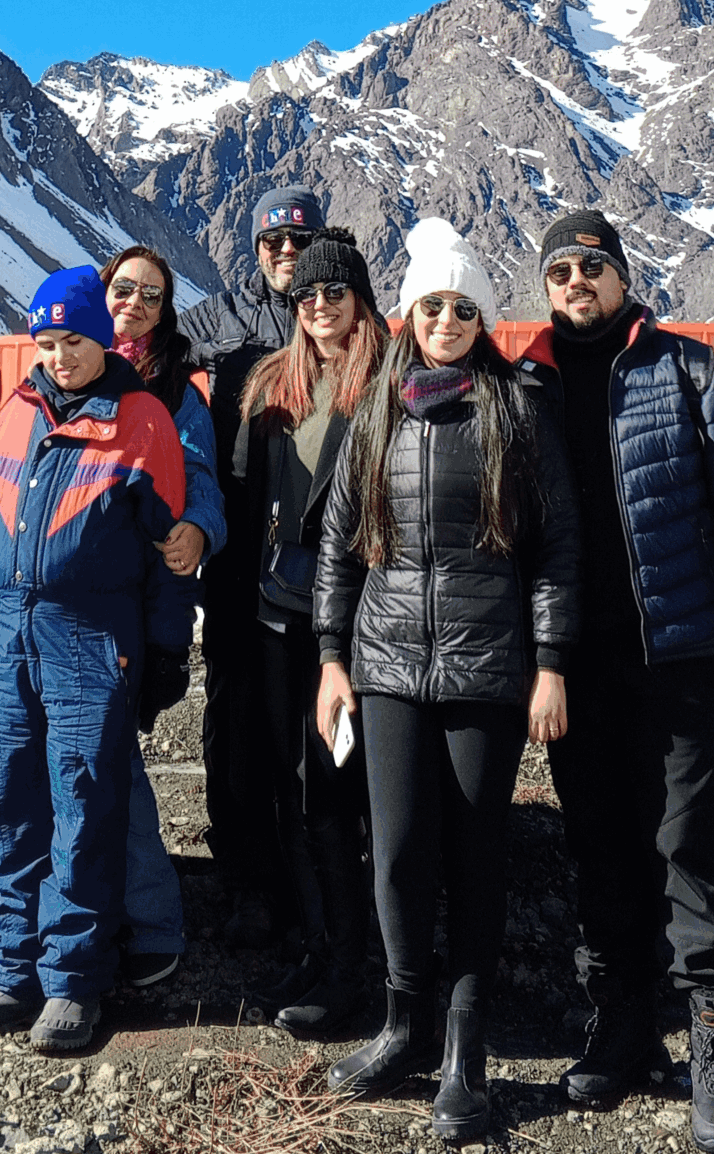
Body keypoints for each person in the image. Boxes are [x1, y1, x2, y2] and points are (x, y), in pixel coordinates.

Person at [525, 211, 714, 1154]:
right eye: (560, 270)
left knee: (689, 841)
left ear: (622, 275)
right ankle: (625, 1027)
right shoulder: (529, 383)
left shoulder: (687, 370)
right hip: (578, 665)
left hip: (681, 654)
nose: (576, 281)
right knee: (599, 843)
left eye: (592, 265)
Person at [314, 219, 579, 1145]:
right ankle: (404, 1024)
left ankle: (466, 1046)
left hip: (486, 667)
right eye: (433, 305)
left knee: (473, 854)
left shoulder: (518, 411)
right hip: (387, 666)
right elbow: (340, 544)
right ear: (410, 311)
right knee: (395, 852)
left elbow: (557, 550)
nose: (447, 322)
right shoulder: (376, 412)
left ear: (482, 319)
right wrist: (331, 658)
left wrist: (550, 665)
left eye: (464, 309)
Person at [0, 268, 195, 1056]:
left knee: (83, 810)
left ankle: (72, 983)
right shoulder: (18, 410)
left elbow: (169, 553)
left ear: (102, 338)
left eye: (74, 341)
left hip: (89, 637)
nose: (59, 356)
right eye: (46, 342)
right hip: (10, 631)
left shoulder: (142, 420)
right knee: (12, 809)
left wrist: (165, 650)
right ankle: (11, 972)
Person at [234, 228, 387, 1037]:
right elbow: (249, 495)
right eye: (306, 295)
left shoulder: (390, 385)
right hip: (277, 613)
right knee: (297, 789)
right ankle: (320, 944)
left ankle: (356, 964)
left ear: (360, 298)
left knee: (343, 792)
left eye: (335, 292)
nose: (320, 306)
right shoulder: (273, 384)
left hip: (359, 623)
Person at [180, 185, 325, 946]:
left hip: (315, 551)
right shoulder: (220, 319)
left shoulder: (335, 313)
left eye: (299, 240)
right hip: (237, 553)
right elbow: (147, 358)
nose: (287, 253)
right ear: (255, 247)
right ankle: (243, 874)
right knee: (234, 716)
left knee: (309, 716)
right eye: (274, 242)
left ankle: (316, 874)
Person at [98, 246, 227, 990]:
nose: (135, 304)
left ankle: (148, 920)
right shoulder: (59, 370)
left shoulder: (177, 390)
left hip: (133, 596)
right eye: (124, 289)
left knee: (112, 758)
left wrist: (199, 529)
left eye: (152, 294)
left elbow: (200, 478)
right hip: (58, 601)